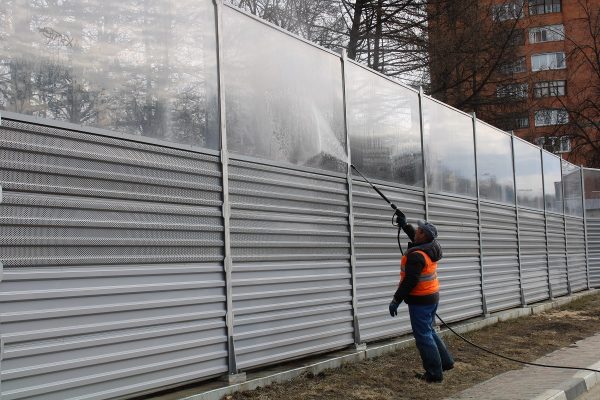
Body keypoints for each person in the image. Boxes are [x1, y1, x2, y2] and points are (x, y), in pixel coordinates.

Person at [388, 216, 454, 383]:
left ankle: (434, 374)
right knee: (429, 330)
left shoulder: (417, 256)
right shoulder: (432, 246)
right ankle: (445, 362)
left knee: (423, 335)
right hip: (432, 296)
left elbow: (410, 281)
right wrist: (405, 225)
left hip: (421, 300)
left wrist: (396, 300)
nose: (416, 231)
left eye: (419, 230)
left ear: (424, 235)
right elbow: (415, 239)